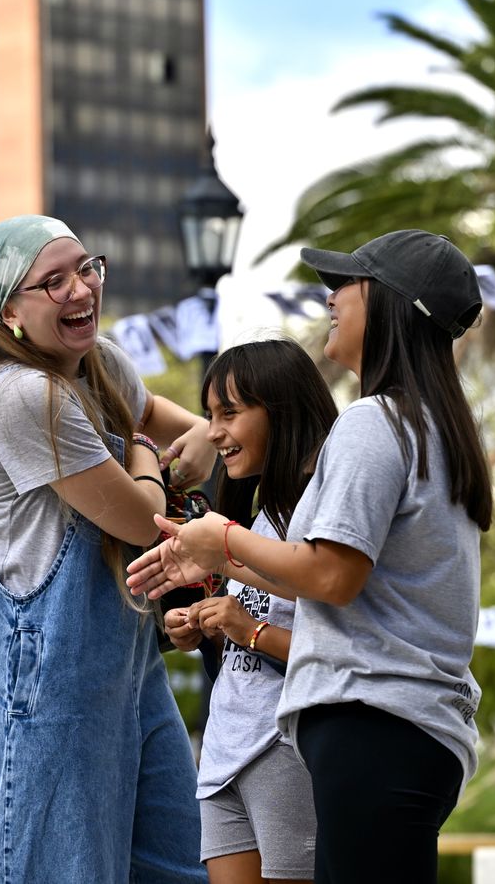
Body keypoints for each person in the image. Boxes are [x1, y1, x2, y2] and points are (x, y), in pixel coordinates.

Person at [130, 230, 494, 882]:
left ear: (390, 304)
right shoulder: (433, 426)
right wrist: (224, 563)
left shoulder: (374, 422)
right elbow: (341, 576)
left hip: (373, 723)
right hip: (408, 727)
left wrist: (225, 540)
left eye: (347, 283)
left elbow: (331, 576)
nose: (330, 297)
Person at [0, 215, 212, 882]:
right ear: (9, 312)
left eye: (86, 268)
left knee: (182, 868)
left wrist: (211, 434)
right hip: (45, 686)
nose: (81, 289)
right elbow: (144, 519)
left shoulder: (101, 363)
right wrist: (149, 453)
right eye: (54, 281)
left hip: (130, 669)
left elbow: (159, 416)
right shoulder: (21, 396)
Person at [162, 339, 336, 883]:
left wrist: (249, 629)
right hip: (224, 750)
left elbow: (343, 650)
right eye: (210, 415)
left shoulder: (322, 515)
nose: (213, 433)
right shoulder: (259, 520)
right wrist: (207, 627)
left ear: (282, 411)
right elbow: (252, 630)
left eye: (229, 413)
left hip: (283, 746)